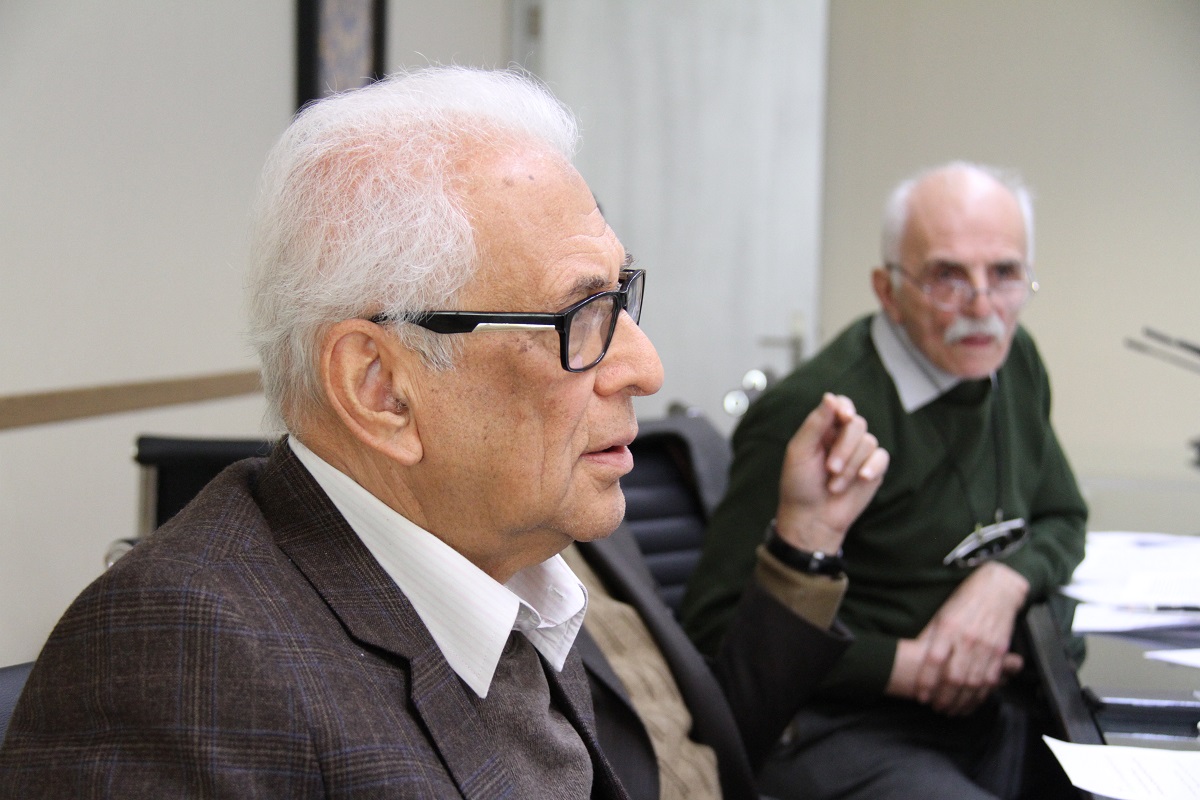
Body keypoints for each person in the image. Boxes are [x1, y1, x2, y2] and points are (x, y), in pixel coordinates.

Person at [0, 67, 887, 799]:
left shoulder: (512, 562)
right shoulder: (181, 662)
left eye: (621, 298)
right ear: (381, 389)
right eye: (579, 315)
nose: (645, 367)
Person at [681, 162, 1088, 800]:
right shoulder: (814, 411)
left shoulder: (1016, 362)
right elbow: (715, 631)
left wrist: (1001, 583)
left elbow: (1064, 519)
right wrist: (911, 669)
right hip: (839, 724)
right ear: (888, 290)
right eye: (948, 277)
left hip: (985, 710)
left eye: (1005, 274)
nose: (983, 308)